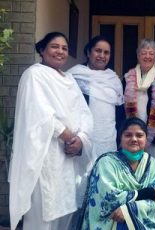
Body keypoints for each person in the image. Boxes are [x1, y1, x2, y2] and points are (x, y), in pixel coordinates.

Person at [9, 32, 93, 230]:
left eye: (64, 48)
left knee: (65, 214)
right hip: (44, 156)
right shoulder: (34, 74)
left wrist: (80, 139)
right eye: (55, 46)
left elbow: (84, 113)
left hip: (68, 158)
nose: (60, 51)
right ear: (42, 50)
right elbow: (38, 111)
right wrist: (67, 135)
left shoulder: (70, 79)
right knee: (42, 216)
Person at [79, 117, 155, 230]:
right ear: (121, 138)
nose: (134, 139)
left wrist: (127, 210)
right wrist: (147, 193)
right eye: (128, 135)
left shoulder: (152, 164)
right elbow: (108, 199)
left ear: (146, 139)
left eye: (139, 135)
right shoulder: (107, 163)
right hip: (111, 223)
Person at [123, 38, 155, 173]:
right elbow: (120, 108)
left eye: (151, 53)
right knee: (132, 170)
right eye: (143, 53)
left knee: (154, 170)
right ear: (138, 55)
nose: (147, 56)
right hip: (132, 134)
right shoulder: (129, 77)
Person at [68, 35, 124, 158]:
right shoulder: (75, 76)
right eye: (98, 51)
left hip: (109, 139)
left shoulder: (113, 79)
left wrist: (121, 138)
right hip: (83, 138)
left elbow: (120, 114)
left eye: (106, 52)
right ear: (88, 52)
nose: (102, 56)